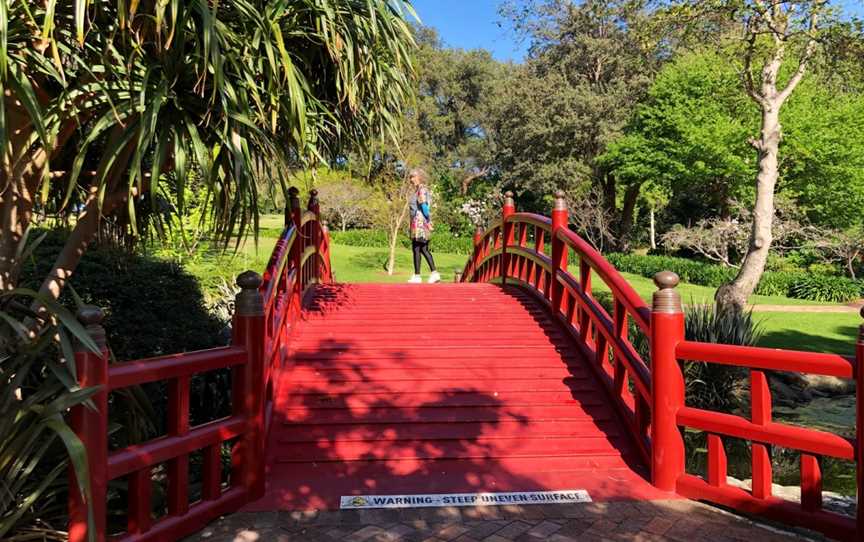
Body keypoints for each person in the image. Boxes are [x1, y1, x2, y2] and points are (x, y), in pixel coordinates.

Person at [407, 168, 440, 284]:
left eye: (413, 177)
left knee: (419, 248)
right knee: (419, 249)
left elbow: (425, 207)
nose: (411, 179)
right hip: (416, 222)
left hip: (420, 222)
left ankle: (430, 273)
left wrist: (428, 220)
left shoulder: (421, 190)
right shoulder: (417, 191)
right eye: (411, 177)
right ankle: (421, 274)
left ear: (419, 177)